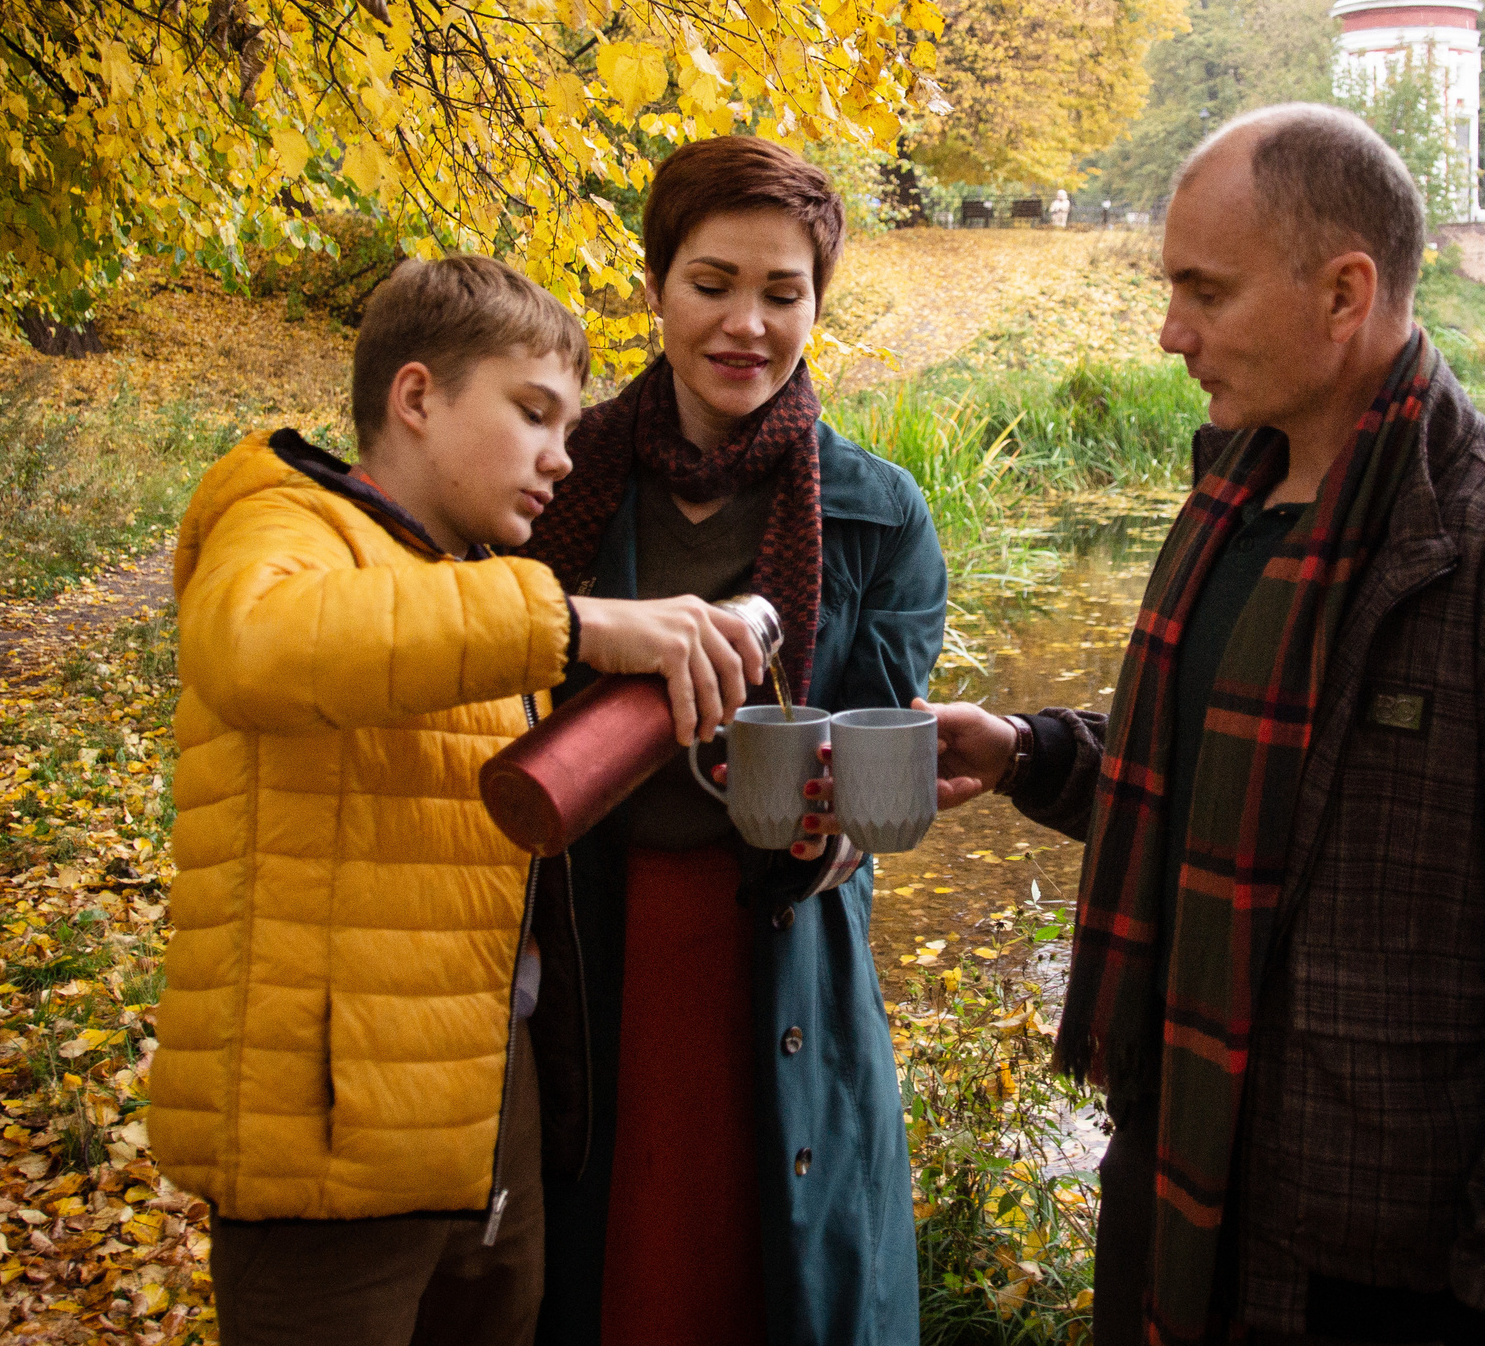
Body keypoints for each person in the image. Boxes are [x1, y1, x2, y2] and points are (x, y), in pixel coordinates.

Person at [923, 106, 1485, 1346]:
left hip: (1377, 1271)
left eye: (1205, 292)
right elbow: (1203, 787)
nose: (1170, 332)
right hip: (1173, 1182)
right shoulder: (1236, 495)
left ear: (1345, 294)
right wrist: (1030, 753)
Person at [151, 255, 766, 1346]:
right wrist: (577, 625)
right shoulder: (284, 522)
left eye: (570, 428)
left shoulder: (457, 578)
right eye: (533, 414)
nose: (559, 458)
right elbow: (254, 647)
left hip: (481, 1148)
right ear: (418, 396)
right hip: (326, 1164)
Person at [520, 135, 947, 1346]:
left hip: (781, 959)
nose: (745, 324)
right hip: (587, 947)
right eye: (711, 284)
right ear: (653, 287)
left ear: (817, 302)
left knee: (777, 1285)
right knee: (608, 1281)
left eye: (782, 291)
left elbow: (876, 751)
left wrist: (842, 833)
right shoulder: (556, 483)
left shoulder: (875, 514)